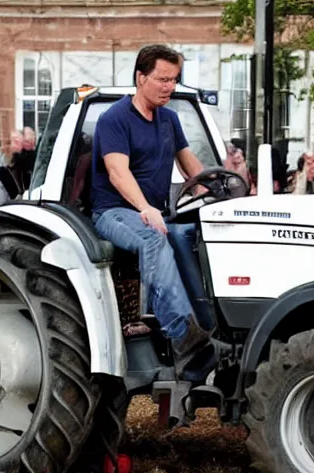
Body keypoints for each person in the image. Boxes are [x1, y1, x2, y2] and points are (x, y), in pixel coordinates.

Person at [90, 44, 213, 382]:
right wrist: (145, 208)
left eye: (173, 80)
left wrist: (215, 195)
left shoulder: (169, 120)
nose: (168, 87)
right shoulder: (114, 119)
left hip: (152, 212)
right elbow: (117, 173)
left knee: (192, 236)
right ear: (140, 77)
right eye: (161, 79)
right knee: (154, 239)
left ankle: (211, 325)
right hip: (114, 212)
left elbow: (192, 169)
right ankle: (183, 339)